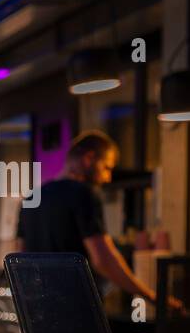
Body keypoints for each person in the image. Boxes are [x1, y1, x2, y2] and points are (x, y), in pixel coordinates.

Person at [16, 130, 181, 311]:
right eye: (106, 167)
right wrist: (151, 296)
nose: (107, 177)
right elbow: (103, 260)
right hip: (75, 307)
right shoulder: (82, 193)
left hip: (37, 309)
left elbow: (19, 255)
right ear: (89, 158)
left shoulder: (32, 197)